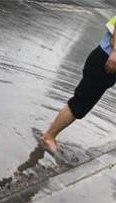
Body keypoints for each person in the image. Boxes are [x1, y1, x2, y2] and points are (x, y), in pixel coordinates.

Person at [41, 16, 116, 153]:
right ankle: (49, 137)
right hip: (106, 60)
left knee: (82, 103)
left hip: (108, 62)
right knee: (80, 103)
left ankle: (52, 131)